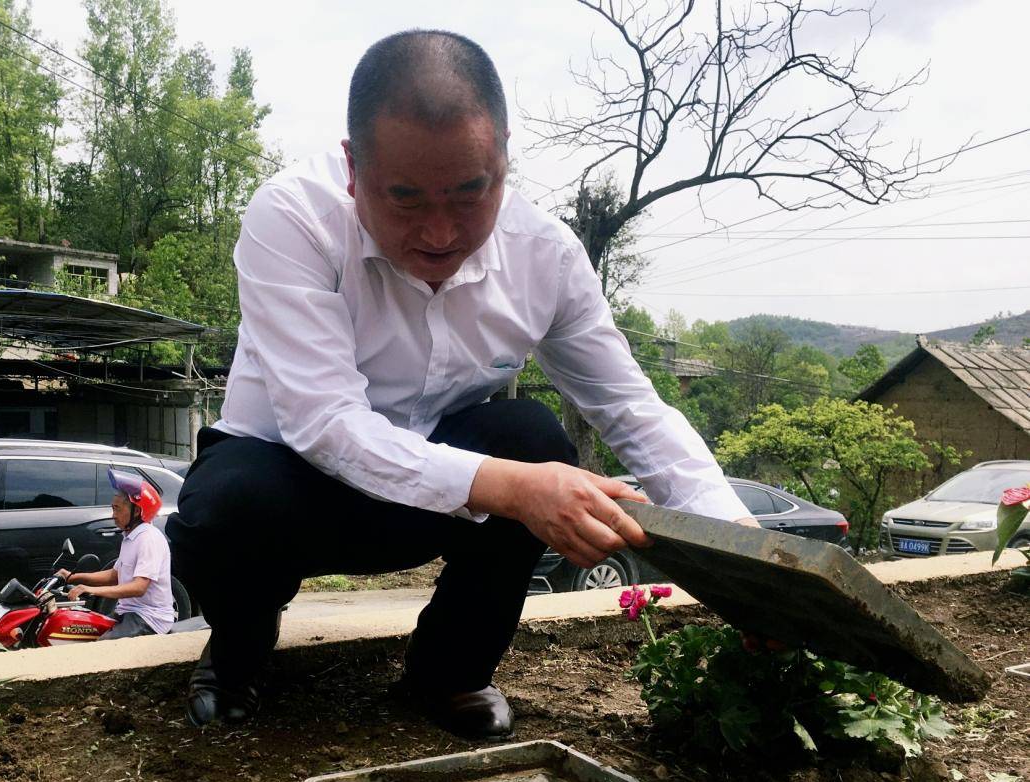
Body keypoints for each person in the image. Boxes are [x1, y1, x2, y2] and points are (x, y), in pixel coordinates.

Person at [166, 29, 754, 738]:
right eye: (405, 200)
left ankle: (446, 675)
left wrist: (746, 554)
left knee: (532, 439)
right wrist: (515, 488)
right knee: (228, 505)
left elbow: (628, 406)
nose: (441, 233)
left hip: (433, 496)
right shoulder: (292, 217)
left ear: (503, 160)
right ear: (354, 170)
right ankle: (240, 645)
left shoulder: (544, 255)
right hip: (288, 486)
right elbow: (323, 423)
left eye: (471, 194)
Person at [60, 469, 175, 640]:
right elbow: (115, 575)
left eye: (117, 509)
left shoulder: (148, 539)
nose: (113, 515)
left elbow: (138, 587)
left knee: (102, 649)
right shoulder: (130, 536)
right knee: (77, 628)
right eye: (112, 508)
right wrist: (73, 577)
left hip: (149, 618)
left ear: (136, 511)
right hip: (127, 612)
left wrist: (92, 590)